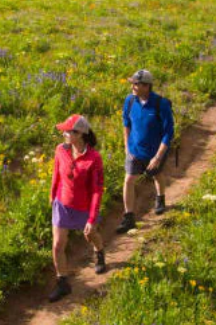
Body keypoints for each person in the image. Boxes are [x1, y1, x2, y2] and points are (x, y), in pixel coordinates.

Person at [48, 114, 106, 302]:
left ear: (80, 134)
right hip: (62, 205)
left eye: (68, 131)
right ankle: (62, 282)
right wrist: (52, 196)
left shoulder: (94, 158)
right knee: (57, 244)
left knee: (90, 235)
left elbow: (97, 190)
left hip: (84, 207)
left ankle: (99, 252)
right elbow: (56, 174)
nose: (64, 133)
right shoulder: (60, 150)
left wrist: (91, 219)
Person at [116, 69, 174, 234]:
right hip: (134, 150)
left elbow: (168, 132)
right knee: (128, 180)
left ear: (147, 86)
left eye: (136, 83)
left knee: (156, 174)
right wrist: (127, 147)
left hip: (155, 151)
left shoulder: (160, 104)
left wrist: (157, 157)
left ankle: (160, 198)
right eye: (133, 83)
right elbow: (126, 124)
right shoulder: (130, 101)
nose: (133, 86)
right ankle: (129, 217)